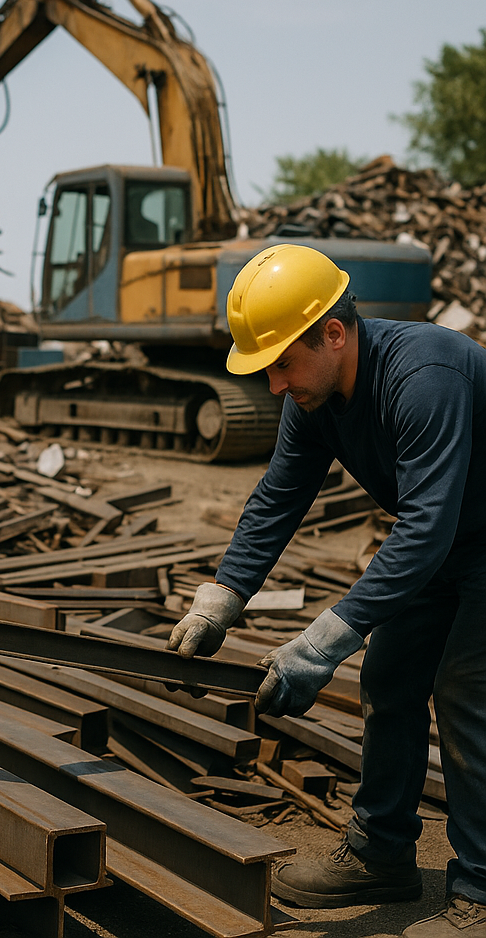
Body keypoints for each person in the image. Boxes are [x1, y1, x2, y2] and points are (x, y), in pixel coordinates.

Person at [167, 243, 486, 938]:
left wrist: (321, 640)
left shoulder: (424, 375)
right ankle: (381, 856)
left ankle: (482, 888)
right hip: (448, 539)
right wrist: (222, 597)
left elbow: (427, 528)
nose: (276, 384)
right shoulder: (314, 397)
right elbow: (280, 495)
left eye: (282, 362)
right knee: (391, 675)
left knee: (467, 690)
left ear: (334, 333)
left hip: (472, 539)